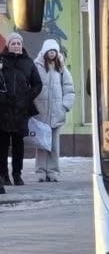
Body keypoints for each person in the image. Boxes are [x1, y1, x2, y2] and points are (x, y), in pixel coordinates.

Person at [0, 32, 43, 187]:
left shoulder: (28, 62)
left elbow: (37, 84)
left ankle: (17, 174)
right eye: (13, 43)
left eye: (18, 43)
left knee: (18, 145)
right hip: (3, 110)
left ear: (22, 45)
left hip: (20, 110)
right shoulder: (2, 60)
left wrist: (27, 97)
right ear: (8, 45)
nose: (16, 46)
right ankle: (3, 175)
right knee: (3, 145)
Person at [33, 39, 75, 182]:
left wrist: (64, 106)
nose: (52, 53)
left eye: (54, 51)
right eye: (49, 51)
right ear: (45, 52)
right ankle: (40, 172)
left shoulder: (62, 69)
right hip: (41, 112)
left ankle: (53, 172)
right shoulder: (37, 66)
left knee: (54, 146)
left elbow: (69, 89)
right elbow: (31, 86)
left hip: (57, 113)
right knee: (41, 144)